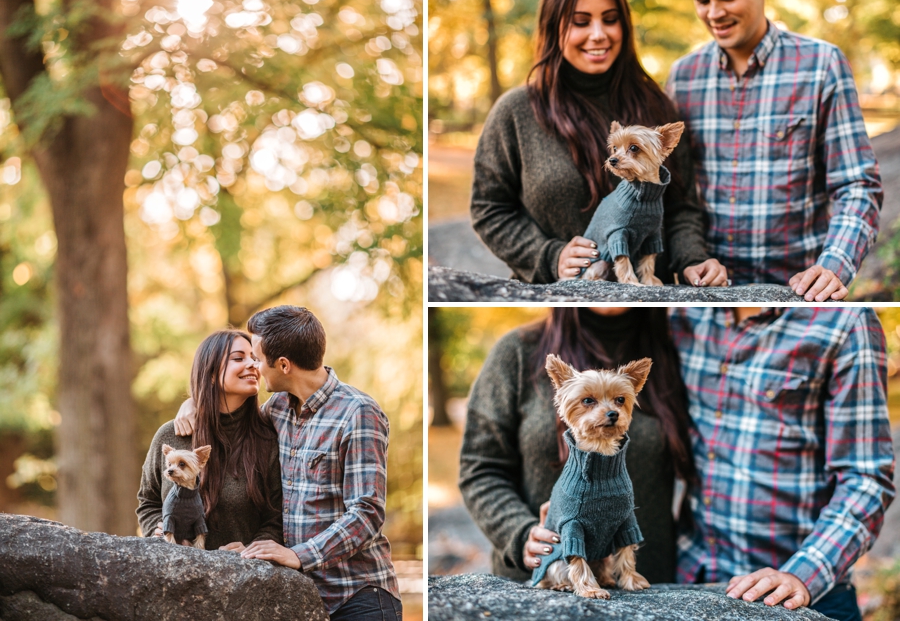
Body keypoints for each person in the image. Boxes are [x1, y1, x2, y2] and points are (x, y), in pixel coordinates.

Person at [470, 0, 728, 288]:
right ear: (554, 27)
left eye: (610, 19)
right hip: (563, 297)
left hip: (647, 299)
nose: (598, 34)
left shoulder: (656, 105)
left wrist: (692, 259)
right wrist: (549, 256)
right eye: (580, 22)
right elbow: (489, 209)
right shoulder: (515, 112)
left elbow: (681, 207)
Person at [174, 306, 401, 621]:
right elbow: (232, 422)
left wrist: (298, 555)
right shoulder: (277, 408)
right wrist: (193, 403)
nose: (254, 367)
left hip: (357, 595)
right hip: (298, 596)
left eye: (256, 358)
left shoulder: (358, 413)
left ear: (283, 365)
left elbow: (367, 512)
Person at [669, 307, 896, 621]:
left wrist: (802, 573)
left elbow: (867, 477)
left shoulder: (846, 321)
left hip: (805, 595)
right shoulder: (684, 314)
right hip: (695, 580)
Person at [667, 0, 882, 301]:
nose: (714, 13)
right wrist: (690, 258)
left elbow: (857, 184)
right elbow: (678, 196)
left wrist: (833, 265)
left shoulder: (822, 65)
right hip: (708, 298)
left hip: (800, 294)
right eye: (702, 1)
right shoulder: (682, 77)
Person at [458, 307, 696, 584]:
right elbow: (480, 468)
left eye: (619, 401)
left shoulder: (682, 345)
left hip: (651, 582)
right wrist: (519, 532)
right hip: (542, 580)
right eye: (588, 401)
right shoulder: (516, 351)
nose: (611, 411)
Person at [137, 329, 283, 552]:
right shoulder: (170, 435)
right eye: (238, 358)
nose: (253, 364)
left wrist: (251, 549)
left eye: (255, 358)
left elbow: (277, 518)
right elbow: (148, 502)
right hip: (176, 568)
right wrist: (157, 531)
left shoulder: (268, 439)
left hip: (242, 570)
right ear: (211, 373)